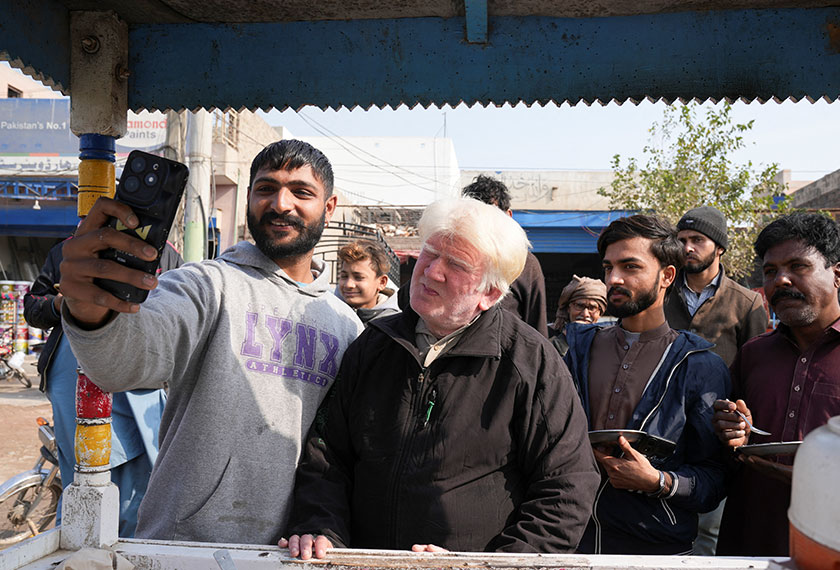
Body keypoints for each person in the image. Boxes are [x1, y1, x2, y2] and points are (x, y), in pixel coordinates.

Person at [58, 139, 364, 545]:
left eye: (301, 191)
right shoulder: (205, 285)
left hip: (295, 554)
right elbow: (122, 363)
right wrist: (91, 308)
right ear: (249, 197)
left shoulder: (347, 325)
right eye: (266, 188)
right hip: (184, 548)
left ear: (329, 207)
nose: (281, 204)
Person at [281, 198, 599, 560]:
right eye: (429, 254)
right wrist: (322, 527)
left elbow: (568, 485)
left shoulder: (530, 362)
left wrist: (494, 565)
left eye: (456, 265)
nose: (431, 272)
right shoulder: (374, 344)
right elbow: (327, 454)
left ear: (490, 293)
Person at [563, 214, 729, 555]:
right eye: (608, 268)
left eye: (630, 267)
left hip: (656, 550)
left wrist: (659, 482)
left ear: (667, 275)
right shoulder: (577, 350)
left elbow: (715, 477)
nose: (614, 279)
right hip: (572, 542)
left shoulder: (699, 366)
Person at [23, 238, 182, 537]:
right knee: (81, 481)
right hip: (74, 377)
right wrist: (68, 302)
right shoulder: (67, 250)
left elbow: (182, 315)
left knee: (141, 485)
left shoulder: (162, 252)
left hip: (141, 379)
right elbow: (34, 307)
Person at [712, 212, 840, 557]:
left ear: (837, 275)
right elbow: (727, 447)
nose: (781, 281)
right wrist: (731, 430)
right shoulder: (753, 354)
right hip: (750, 541)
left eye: (798, 267)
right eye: (771, 272)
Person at [663, 205, 768, 555]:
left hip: (717, 438)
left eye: (698, 240)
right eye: (682, 240)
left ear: (719, 247)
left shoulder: (747, 303)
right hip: (664, 432)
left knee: (709, 532)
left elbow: (756, 372)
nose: (688, 247)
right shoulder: (661, 293)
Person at [462, 175, 549, 336]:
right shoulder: (454, 257)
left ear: (508, 216)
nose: (485, 224)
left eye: (492, 215)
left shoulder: (526, 264)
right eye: (478, 215)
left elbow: (537, 328)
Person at [336, 240, 400, 326]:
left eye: (358, 277)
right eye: (344, 276)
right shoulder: (330, 314)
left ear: (382, 282)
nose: (348, 285)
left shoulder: (394, 326)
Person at [549, 274, 607, 357]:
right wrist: (566, 338)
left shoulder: (606, 341)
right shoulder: (547, 334)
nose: (585, 314)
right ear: (568, 308)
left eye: (592, 308)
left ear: (599, 313)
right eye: (579, 306)